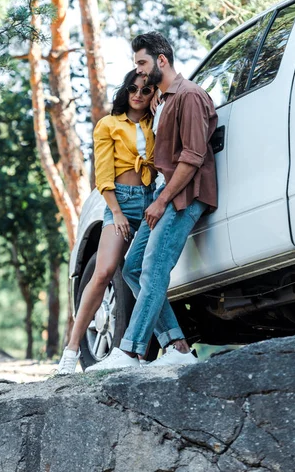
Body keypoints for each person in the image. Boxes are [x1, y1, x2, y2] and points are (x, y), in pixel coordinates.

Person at [86, 31, 218, 372]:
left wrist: (163, 201)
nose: (140, 72)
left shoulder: (189, 95)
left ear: (162, 60)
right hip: (165, 195)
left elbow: (192, 157)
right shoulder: (167, 99)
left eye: (143, 63)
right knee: (132, 267)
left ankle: (129, 352)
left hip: (183, 196)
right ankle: (177, 346)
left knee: (154, 268)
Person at [57, 70, 157, 374]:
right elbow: (103, 175)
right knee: (103, 272)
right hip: (121, 202)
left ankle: (142, 350)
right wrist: (115, 212)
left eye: (146, 90)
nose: (138, 95)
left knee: (148, 273)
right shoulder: (109, 125)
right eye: (133, 89)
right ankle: (71, 350)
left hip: (151, 198)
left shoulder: (155, 122)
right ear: (124, 91)